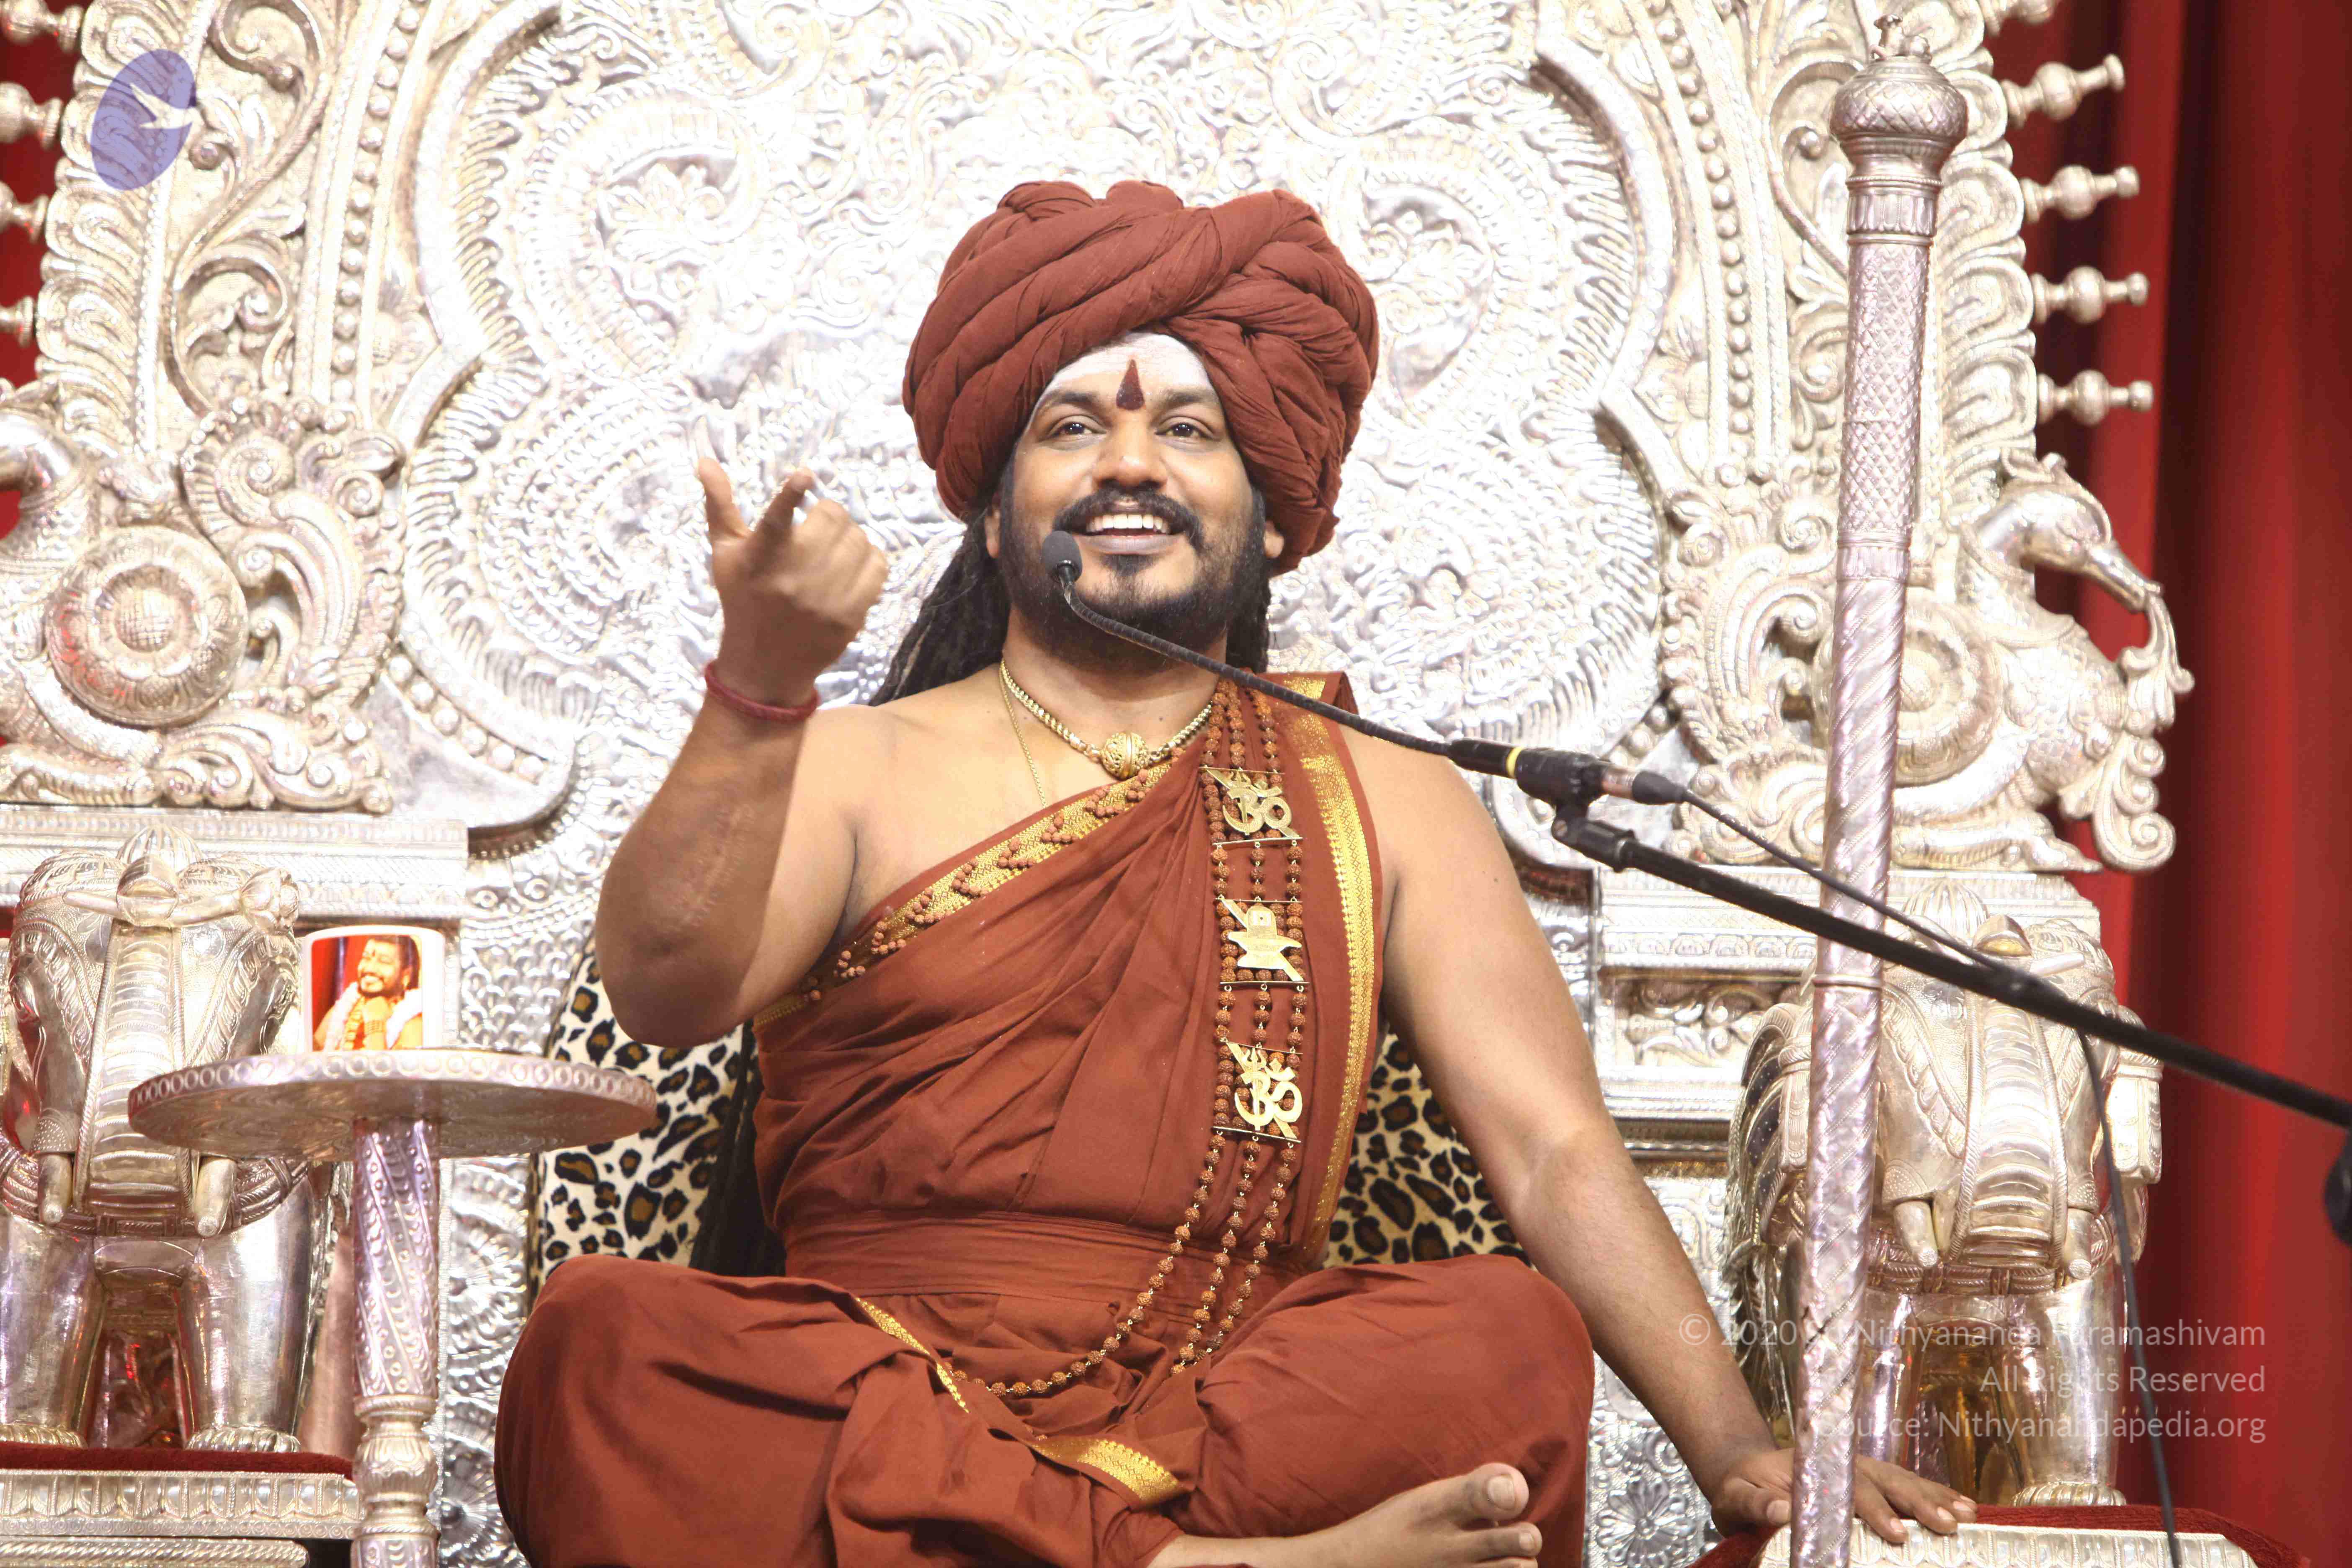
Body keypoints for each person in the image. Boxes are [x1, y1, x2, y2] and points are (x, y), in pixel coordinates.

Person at [494, 181, 1975, 1567]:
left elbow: (1550, 1150)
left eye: (1190, 430)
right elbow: (663, 991)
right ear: (995, 514)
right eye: (1072, 426)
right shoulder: (851, 762)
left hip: (1224, 1426)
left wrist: (1736, 1446)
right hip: (885, 1407)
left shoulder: (1376, 788)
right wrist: (761, 680)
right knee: (605, 1344)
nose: (1130, 462)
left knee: (1505, 1334)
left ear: (1269, 513)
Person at [312, 934, 424, 1052]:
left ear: (406, 975)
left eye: (384, 961)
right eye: (366, 958)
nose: (370, 968)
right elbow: (310, 1053)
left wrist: (375, 1023)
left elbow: (387, 1065)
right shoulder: (346, 1007)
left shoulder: (414, 1024)